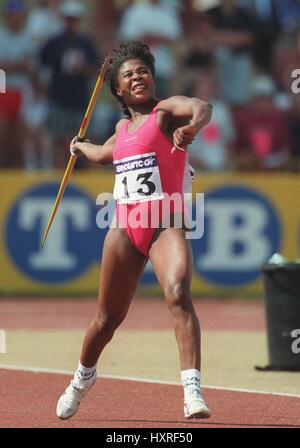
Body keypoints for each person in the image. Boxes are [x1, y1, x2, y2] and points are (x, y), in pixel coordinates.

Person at [56, 41, 212, 420]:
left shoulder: (165, 113)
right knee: (107, 319)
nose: (137, 76)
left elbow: (201, 106)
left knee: (178, 293)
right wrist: (79, 147)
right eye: (128, 75)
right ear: (118, 91)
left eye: (142, 70)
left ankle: (192, 391)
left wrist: (193, 126)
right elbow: (102, 153)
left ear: (152, 77)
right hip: (126, 227)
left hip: (166, 221)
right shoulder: (122, 130)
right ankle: (82, 378)